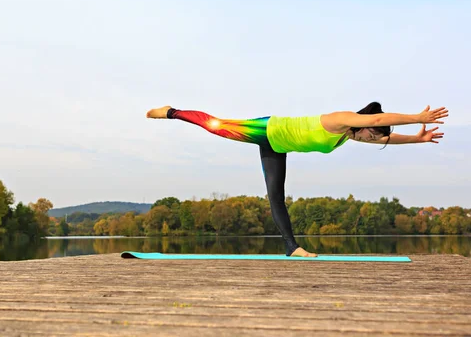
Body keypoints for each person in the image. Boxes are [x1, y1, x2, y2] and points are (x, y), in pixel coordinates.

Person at [146, 102, 447, 257]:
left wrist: (417, 140)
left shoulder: (346, 137)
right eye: (373, 136)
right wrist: (417, 117)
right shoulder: (341, 119)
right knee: (215, 125)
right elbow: (377, 121)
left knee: (276, 197)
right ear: (366, 126)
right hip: (267, 130)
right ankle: (172, 112)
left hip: (277, 146)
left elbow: (384, 133)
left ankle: (292, 247)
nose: (372, 138)